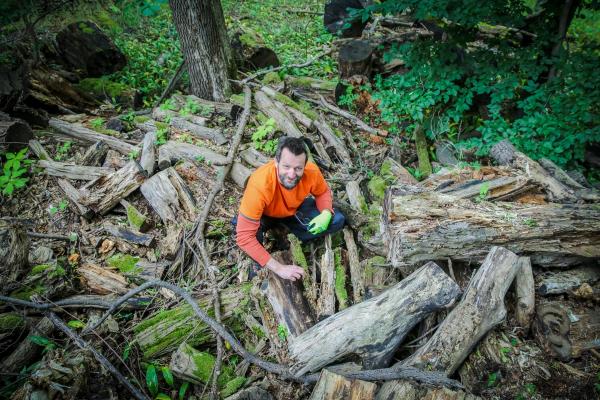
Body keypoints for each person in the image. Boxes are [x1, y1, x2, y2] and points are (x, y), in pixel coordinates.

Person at [234, 136, 345, 281]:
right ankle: (259, 264)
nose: (292, 174)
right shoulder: (259, 184)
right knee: (247, 234)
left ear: (304, 166)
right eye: (286, 167)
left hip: (293, 211)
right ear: (276, 162)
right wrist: (280, 268)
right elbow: (244, 237)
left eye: (298, 168)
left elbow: (323, 192)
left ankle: (287, 235)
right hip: (264, 215)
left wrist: (325, 212)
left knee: (337, 219)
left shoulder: (311, 171)